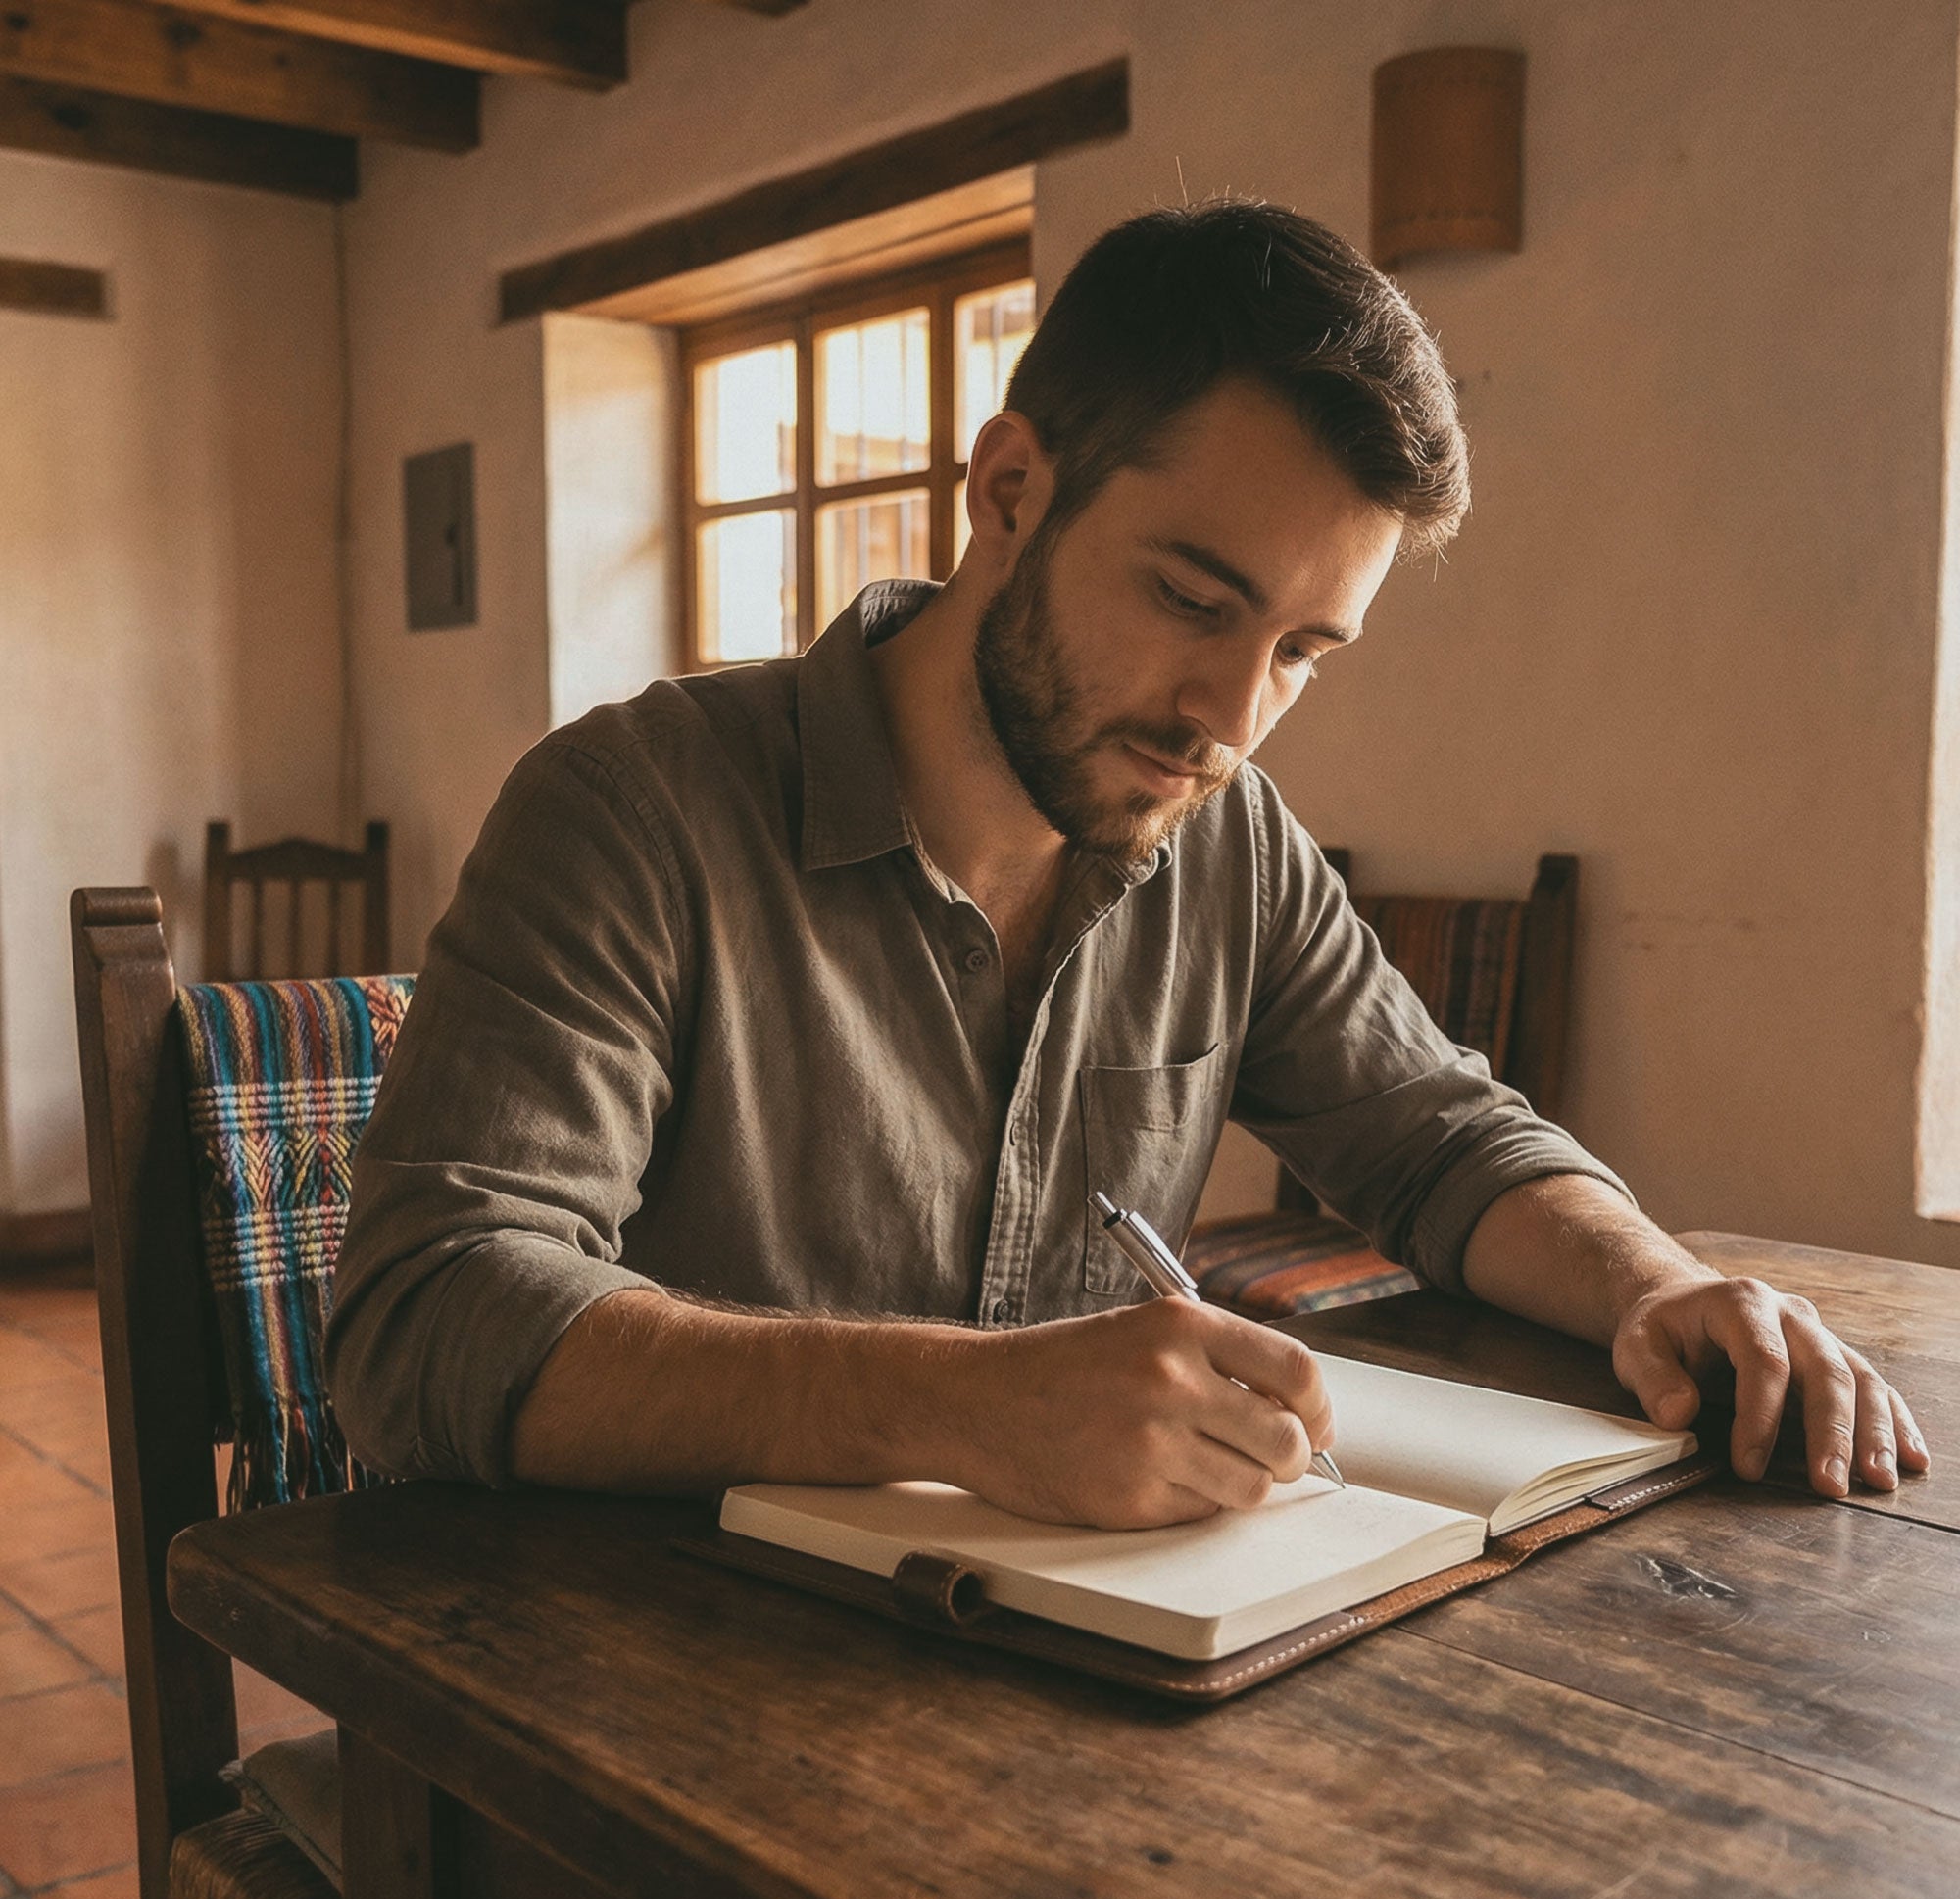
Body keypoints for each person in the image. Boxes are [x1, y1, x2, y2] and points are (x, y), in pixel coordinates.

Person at [327, 200, 1927, 1527]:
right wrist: (964, 1407)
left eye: (1305, 649)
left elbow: (1438, 1135)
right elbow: (425, 1316)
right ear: (1011, 492)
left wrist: (1650, 1283)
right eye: (1193, 598)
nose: (1234, 716)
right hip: (641, 1702)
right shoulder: (634, 808)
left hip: (1077, 1690)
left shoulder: (1224, 839)